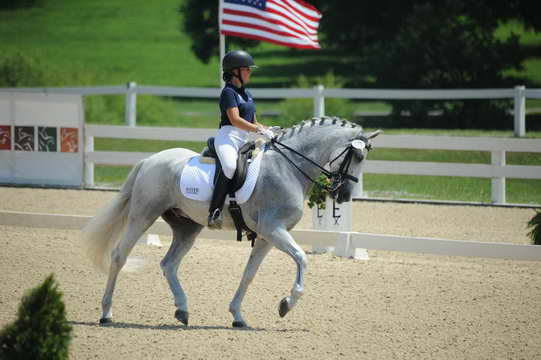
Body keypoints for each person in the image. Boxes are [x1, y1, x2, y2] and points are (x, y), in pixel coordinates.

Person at [208, 50, 274, 229]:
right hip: (228, 138)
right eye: (247, 69)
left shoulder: (247, 94)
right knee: (229, 166)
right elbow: (236, 120)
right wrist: (258, 130)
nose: (250, 72)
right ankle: (214, 211)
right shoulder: (228, 92)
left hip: (243, 140)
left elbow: (253, 121)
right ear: (235, 71)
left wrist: (269, 129)